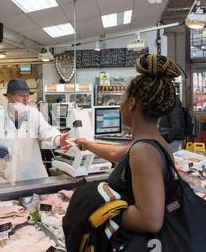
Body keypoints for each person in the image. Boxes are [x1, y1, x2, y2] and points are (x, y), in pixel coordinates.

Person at [76, 54, 183, 235]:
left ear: (132, 103)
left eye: (123, 100)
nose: (120, 106)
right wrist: (86, 144)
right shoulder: (152, 143)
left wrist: (98, 208)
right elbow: (114, 153)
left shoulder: (144, 151)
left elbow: (149, 221)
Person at [0, 79, 70, 185]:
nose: (25, 99)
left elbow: (47, 130)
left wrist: (58, 139)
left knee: (40, 202)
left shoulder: (34, 115)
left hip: (32, 178)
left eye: (27, 96)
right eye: (21, 95)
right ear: (9, 96)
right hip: (4, 181)